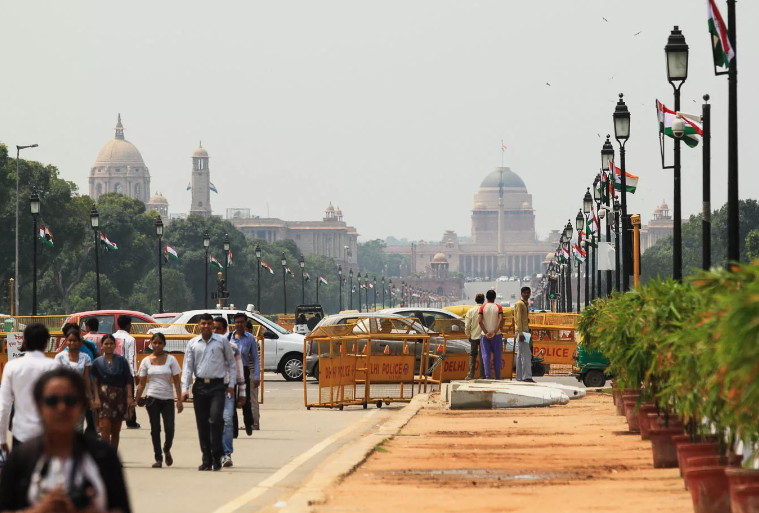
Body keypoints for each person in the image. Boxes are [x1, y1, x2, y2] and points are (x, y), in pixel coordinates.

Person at [0, 367, 131, 513]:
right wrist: (40, 510)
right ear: (39, 406)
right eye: (51, 401)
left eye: (70, 400)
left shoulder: (104, 456)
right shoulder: (21, 458)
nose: (61, 408)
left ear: (82, 406)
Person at [181, 313, 236, 471]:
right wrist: (184, 389)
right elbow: (187, 368)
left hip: (217, 386)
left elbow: (231, 364)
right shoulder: (193, 343)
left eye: (209, 323)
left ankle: (217, 455)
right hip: (200, 387)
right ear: (199, 325)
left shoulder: (222, 341)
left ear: (213, 325)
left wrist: (231, 384)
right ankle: (206, 459)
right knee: (202, 424)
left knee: (216, 420)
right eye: (203, 323)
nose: (206, 326)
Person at [0, 324, 59, 453]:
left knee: (22, 473)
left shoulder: (12, 367)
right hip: (48, 435)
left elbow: (4, 407)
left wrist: (2, 438)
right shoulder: (54, 367)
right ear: (46, 343)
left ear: (24, 342)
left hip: (21, 434)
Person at [135, 333, 183, 468]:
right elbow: (142, 383)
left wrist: (179, 400)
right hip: (152, 398)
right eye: (155, 343)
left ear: (164, 344)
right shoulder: (145, 361)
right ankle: (158, 458)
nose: (157, 345)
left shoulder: (171, 360)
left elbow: (177, 381)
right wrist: (136, 399)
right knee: (155, 429)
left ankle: (167, 448)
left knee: (170, 428)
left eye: (160, 343)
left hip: (168, 398)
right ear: (151, 343)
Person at [213, 317, 246, 468]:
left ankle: (226, 453)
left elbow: (239, 371)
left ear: (225, 330)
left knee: (227, 419)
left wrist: (242, 393)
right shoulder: (202, 346)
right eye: (213, 328)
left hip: (227, 389)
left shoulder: (232, 348)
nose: (215, 331)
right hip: (209, 389)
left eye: (218, 328)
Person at [91, 334, 134, 449]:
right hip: (103, 399)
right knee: (105, 430)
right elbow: (95, 382)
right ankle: (106, 456)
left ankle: (113, 457)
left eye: (111, 343)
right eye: (106, 344)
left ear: (115, 345)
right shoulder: (97, 362)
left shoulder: (122, 361)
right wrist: (96, 398)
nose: (109, 346)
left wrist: (129, 397)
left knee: (116, 431)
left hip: (119, 399)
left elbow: (128, 379)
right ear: (102, 346)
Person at [62, 322, 99, 437]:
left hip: (90, 383)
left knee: (90, 409)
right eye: (70, 337)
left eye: (75, 333)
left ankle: (92, 429)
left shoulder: (89, 346)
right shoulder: (62, 355)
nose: (73, 341)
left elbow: (97, 359)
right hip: (70, 392)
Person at [54, 330, 93, 431]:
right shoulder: (60, 357)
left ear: (79, 342)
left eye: (74, 340)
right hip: (64, 396)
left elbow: (86, 378)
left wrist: (90, 397)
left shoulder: (85, 357)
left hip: (80, 395)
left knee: (78, 426)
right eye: (70, 340)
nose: (72, 343)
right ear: (66, 341)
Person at [114, 315, 140, 429]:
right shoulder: (131, 339)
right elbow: (132, 358)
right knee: (129, 396)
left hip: (112, 370)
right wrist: (134, 374)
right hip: (125, 372)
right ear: (128, 325)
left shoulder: (112, 337)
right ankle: (130, 421)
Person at [478, 289, 504, 380]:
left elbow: (480, 321)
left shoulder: (482, 307)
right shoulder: (499, 307)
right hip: (496, 335)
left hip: (485, 335)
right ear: (495, 297)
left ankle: (488, 376)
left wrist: (486, 333)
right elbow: (501, 319)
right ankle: (497, 376)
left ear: (486, 297)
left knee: (485, 356)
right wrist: (495, 332)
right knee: (497, 356)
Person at [515, 286, 535, 383]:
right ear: (522, 294)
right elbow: (517, 319)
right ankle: (527, 376)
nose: (527, 294)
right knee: (526, 354)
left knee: (521, 354)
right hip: (522, 331)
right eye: (525, 293)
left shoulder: (524, 304)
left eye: (528, 293)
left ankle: (519, 376)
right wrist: (520, 333)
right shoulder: (520, 304)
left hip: (524, 331)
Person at [464, 293, 486, 380]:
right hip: (484, 336)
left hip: (473, 336)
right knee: (482, 355)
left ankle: (471, 374)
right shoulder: (485, 310)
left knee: (473, 355)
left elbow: (467, 326)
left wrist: (468, 335)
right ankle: (482, 375)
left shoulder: (471, 311)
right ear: (483, 300)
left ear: (475, 300)